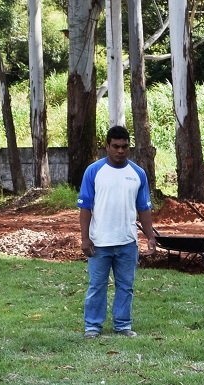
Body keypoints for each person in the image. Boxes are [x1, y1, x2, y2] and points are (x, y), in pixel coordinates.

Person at [77, 125, 156, 338]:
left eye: (124, 147)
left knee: (126, 286)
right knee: (97, 286)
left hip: (127, 242)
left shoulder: (138, 174)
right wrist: (85, 239)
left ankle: (122, 325)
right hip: (99, 242)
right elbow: (85, 207)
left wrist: (150, 236)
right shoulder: (93, 171)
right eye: (116, 146)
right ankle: (92, 326)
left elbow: (144, 208)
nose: (120, 151)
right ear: (107, 146)